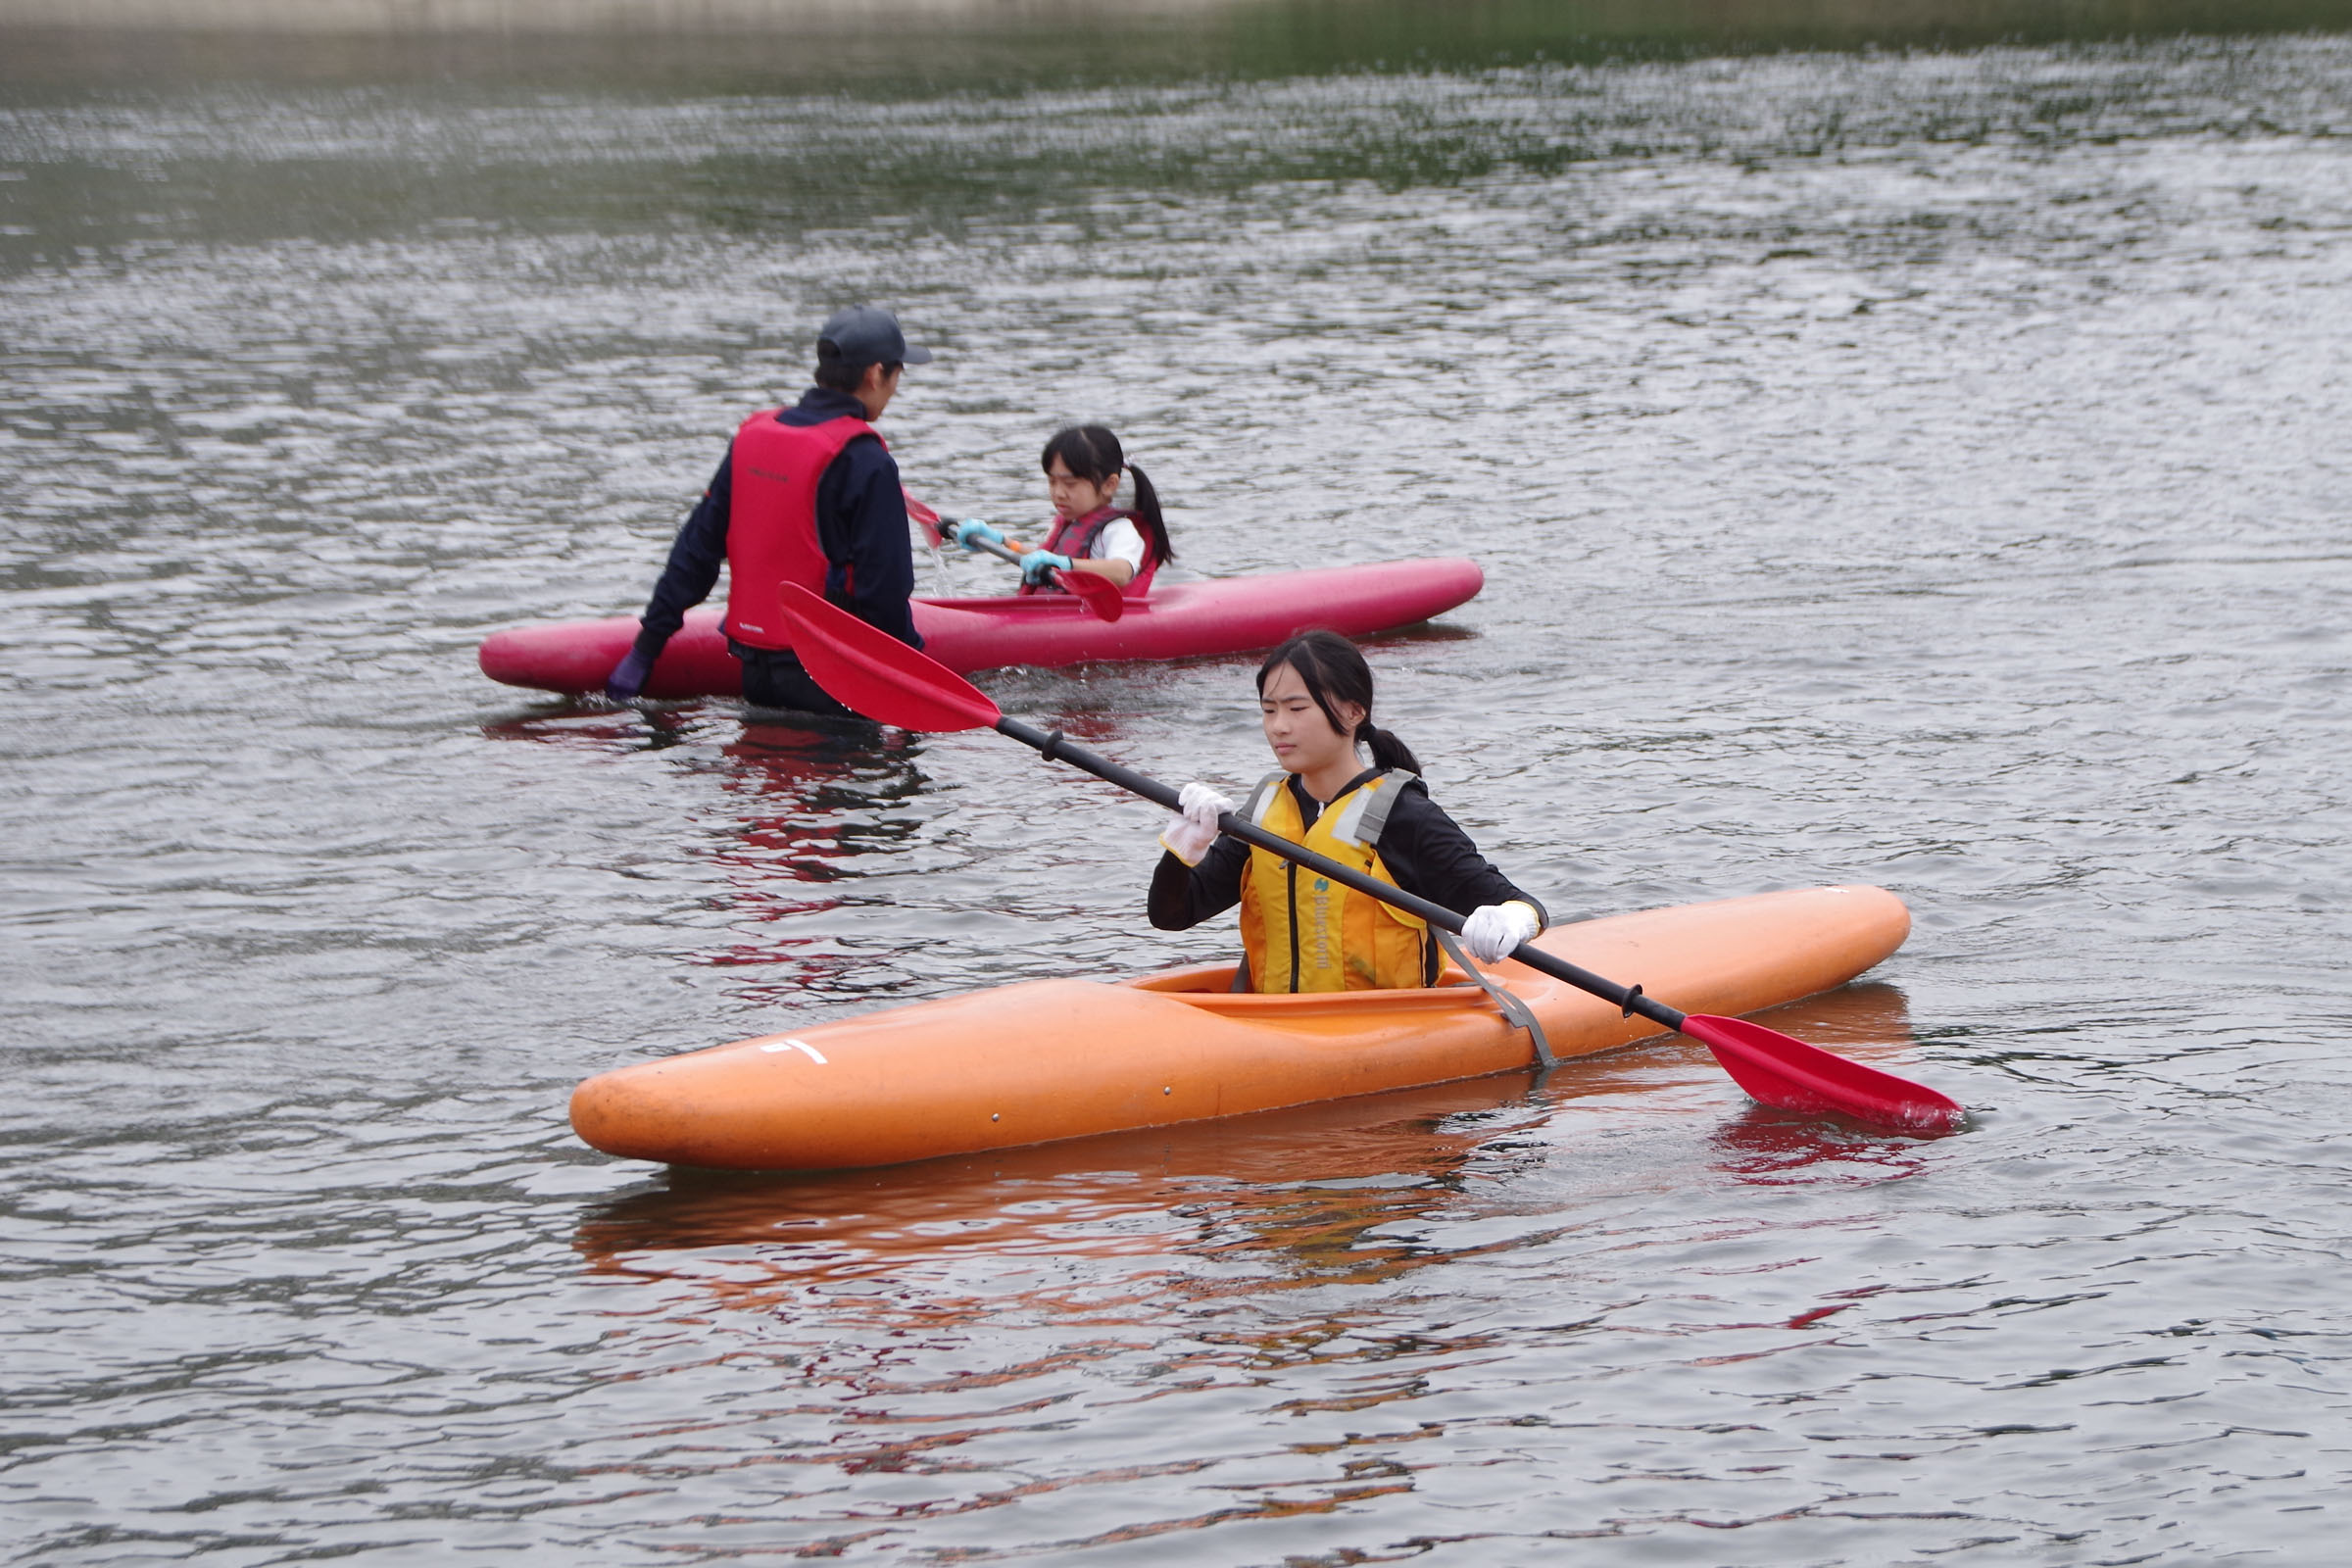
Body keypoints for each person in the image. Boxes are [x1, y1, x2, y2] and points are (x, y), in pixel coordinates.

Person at [1149, 630, 1547, 992]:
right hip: (1272, 1023)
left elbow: (1525, 905)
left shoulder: (1404, 817)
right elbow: (1171, 915)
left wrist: (1510, 922)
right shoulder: (1262, 814)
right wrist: (1183, 850)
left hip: (1382, 1025)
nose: (1278, 727)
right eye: (1269, 710)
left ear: (1354, 712)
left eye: (1296, 709)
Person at [604, 306, 932, 715]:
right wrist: (916, 670)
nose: (896, 387)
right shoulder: (866, 461)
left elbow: (695, 550)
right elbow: (885, 587)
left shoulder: (752, 438)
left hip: (754, 671)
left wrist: (645, 650)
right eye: (898, 373)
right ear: (875, 374)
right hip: (832, 678)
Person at [942, 425, 1173, 596]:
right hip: (1058, 612)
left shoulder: (1120, 530)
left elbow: (1122, 571)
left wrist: (1066, 564)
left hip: (1099, 619)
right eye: (1052, 482)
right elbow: (1041, 559)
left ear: (1109, 485)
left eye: (1070, 484)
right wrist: (1000, 541)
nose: (1058, 493)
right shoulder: (1064, 523)